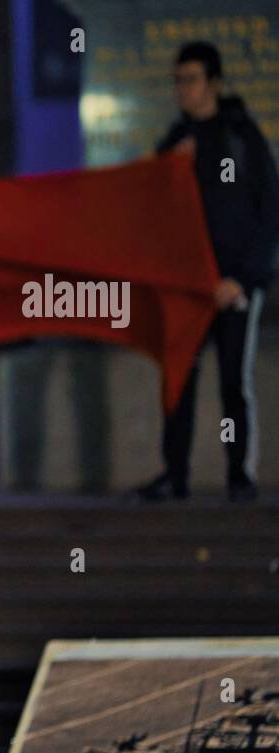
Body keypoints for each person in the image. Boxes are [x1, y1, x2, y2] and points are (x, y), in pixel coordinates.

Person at [135, 41, 279, 503]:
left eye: (191, 79)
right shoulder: (174, 141)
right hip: (187, 289)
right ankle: (174, 474)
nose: (183, 89)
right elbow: (154, 215)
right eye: (177, 80)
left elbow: (268, 211)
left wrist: (243, 277)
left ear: (214, 83)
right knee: (179, 377)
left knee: (233, 383)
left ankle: (239, 474)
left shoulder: (242, 138)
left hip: (232, 286)